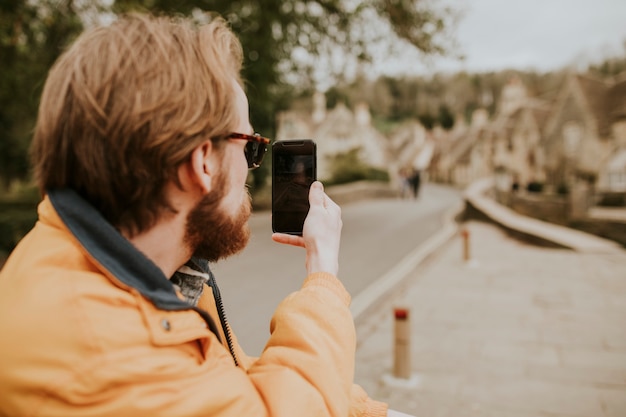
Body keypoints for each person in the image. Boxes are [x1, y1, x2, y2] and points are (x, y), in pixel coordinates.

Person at [0, 13, 389, 417]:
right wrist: (322, 275)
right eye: (250, 148)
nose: (251, 169)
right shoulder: (99, 354)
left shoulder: (118, 271)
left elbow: (231, 388)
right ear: (204, 161)